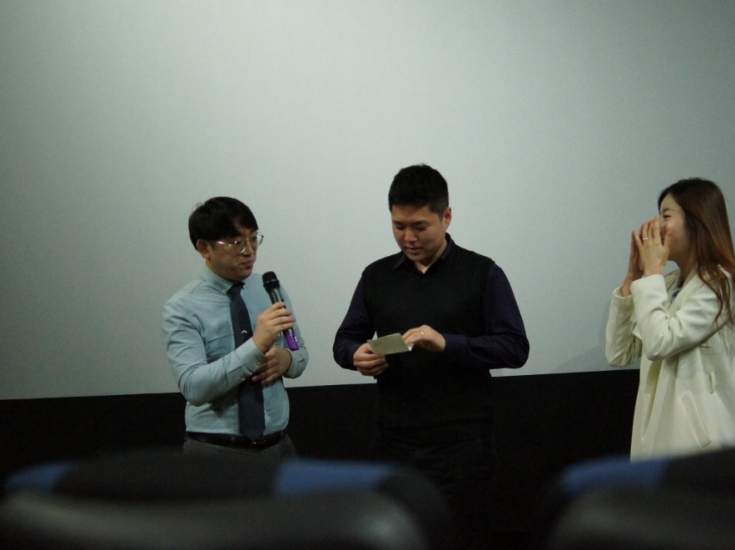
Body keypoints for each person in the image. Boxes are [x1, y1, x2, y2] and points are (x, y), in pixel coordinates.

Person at [333, 164, 529, 549]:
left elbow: (515, 347)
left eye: (420, 226)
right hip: (394, 443)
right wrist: (356, 355)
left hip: (463, 447)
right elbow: (345, 340)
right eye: (398, 226)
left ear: (446, 216)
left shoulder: (482, 273)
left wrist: (448, 344)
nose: (408, 237)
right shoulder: (376, 276)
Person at [606, 178, 735, 461]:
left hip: (700, 447)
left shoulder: (721, 283)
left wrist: (652, 274)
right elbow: (619, 353)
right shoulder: (666, 284)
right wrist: (631, 280)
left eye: (666, 216)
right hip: (657, 438)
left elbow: (660, 342)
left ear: (696, 221)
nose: (656, 227)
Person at [163, 197, 307, 462]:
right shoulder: (182, 307)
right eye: (236, 242)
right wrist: (257, 345)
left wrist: (286, 360)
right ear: (204, 248)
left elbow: (300, 355)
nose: (249, 251)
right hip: (215, 452)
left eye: (253, 239)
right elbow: (193, 387)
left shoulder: (269, 289)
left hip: (278, 447)